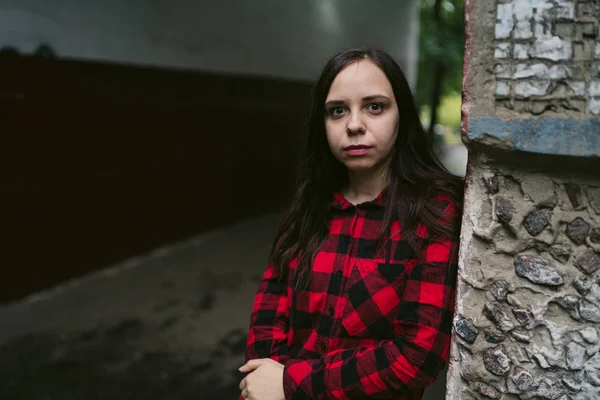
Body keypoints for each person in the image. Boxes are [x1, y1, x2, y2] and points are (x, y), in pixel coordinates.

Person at [238, 47, 464, 400]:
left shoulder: (435, 210)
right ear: (322, 122)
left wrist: (290, 384)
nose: (354, 125)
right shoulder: (310, 205)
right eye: (337, 111)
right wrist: (264, 379)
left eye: (375, 106)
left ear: (401, 114)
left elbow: (416, 357)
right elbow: (269, 312)